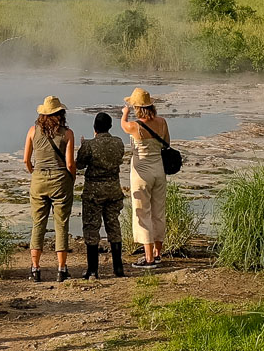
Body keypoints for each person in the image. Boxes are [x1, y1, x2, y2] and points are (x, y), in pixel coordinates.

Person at [23, 95, 76, 282]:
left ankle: (35, 269)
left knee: (38, 223)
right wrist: (72, 178)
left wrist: (34, 173)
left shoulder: (32, 131)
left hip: (38, 178)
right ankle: (61, 269)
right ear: (61, 113)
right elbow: (70, 163)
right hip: (61, 179)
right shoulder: (67, 134)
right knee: (61, 223)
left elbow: (26, 160)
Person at [119, 87, 169, 269]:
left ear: (137, 108)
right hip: (159, 170)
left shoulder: (134, 126)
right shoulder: (162, 122)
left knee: (142, 211)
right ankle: (158, 253)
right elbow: (167, 144)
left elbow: (123, 125)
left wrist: (124, 114)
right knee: (158, 212)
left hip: (141, 173)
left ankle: (148, 258)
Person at [76, 112, 127, 280]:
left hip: (94, 192)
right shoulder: (118, 143)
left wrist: (83, 146)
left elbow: (80, 165)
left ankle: (92, 269)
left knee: (92, 228)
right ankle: (118, 268)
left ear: (94, 128)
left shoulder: (90, 145)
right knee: (114, 226)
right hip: (113, 189)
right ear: (110, 126)